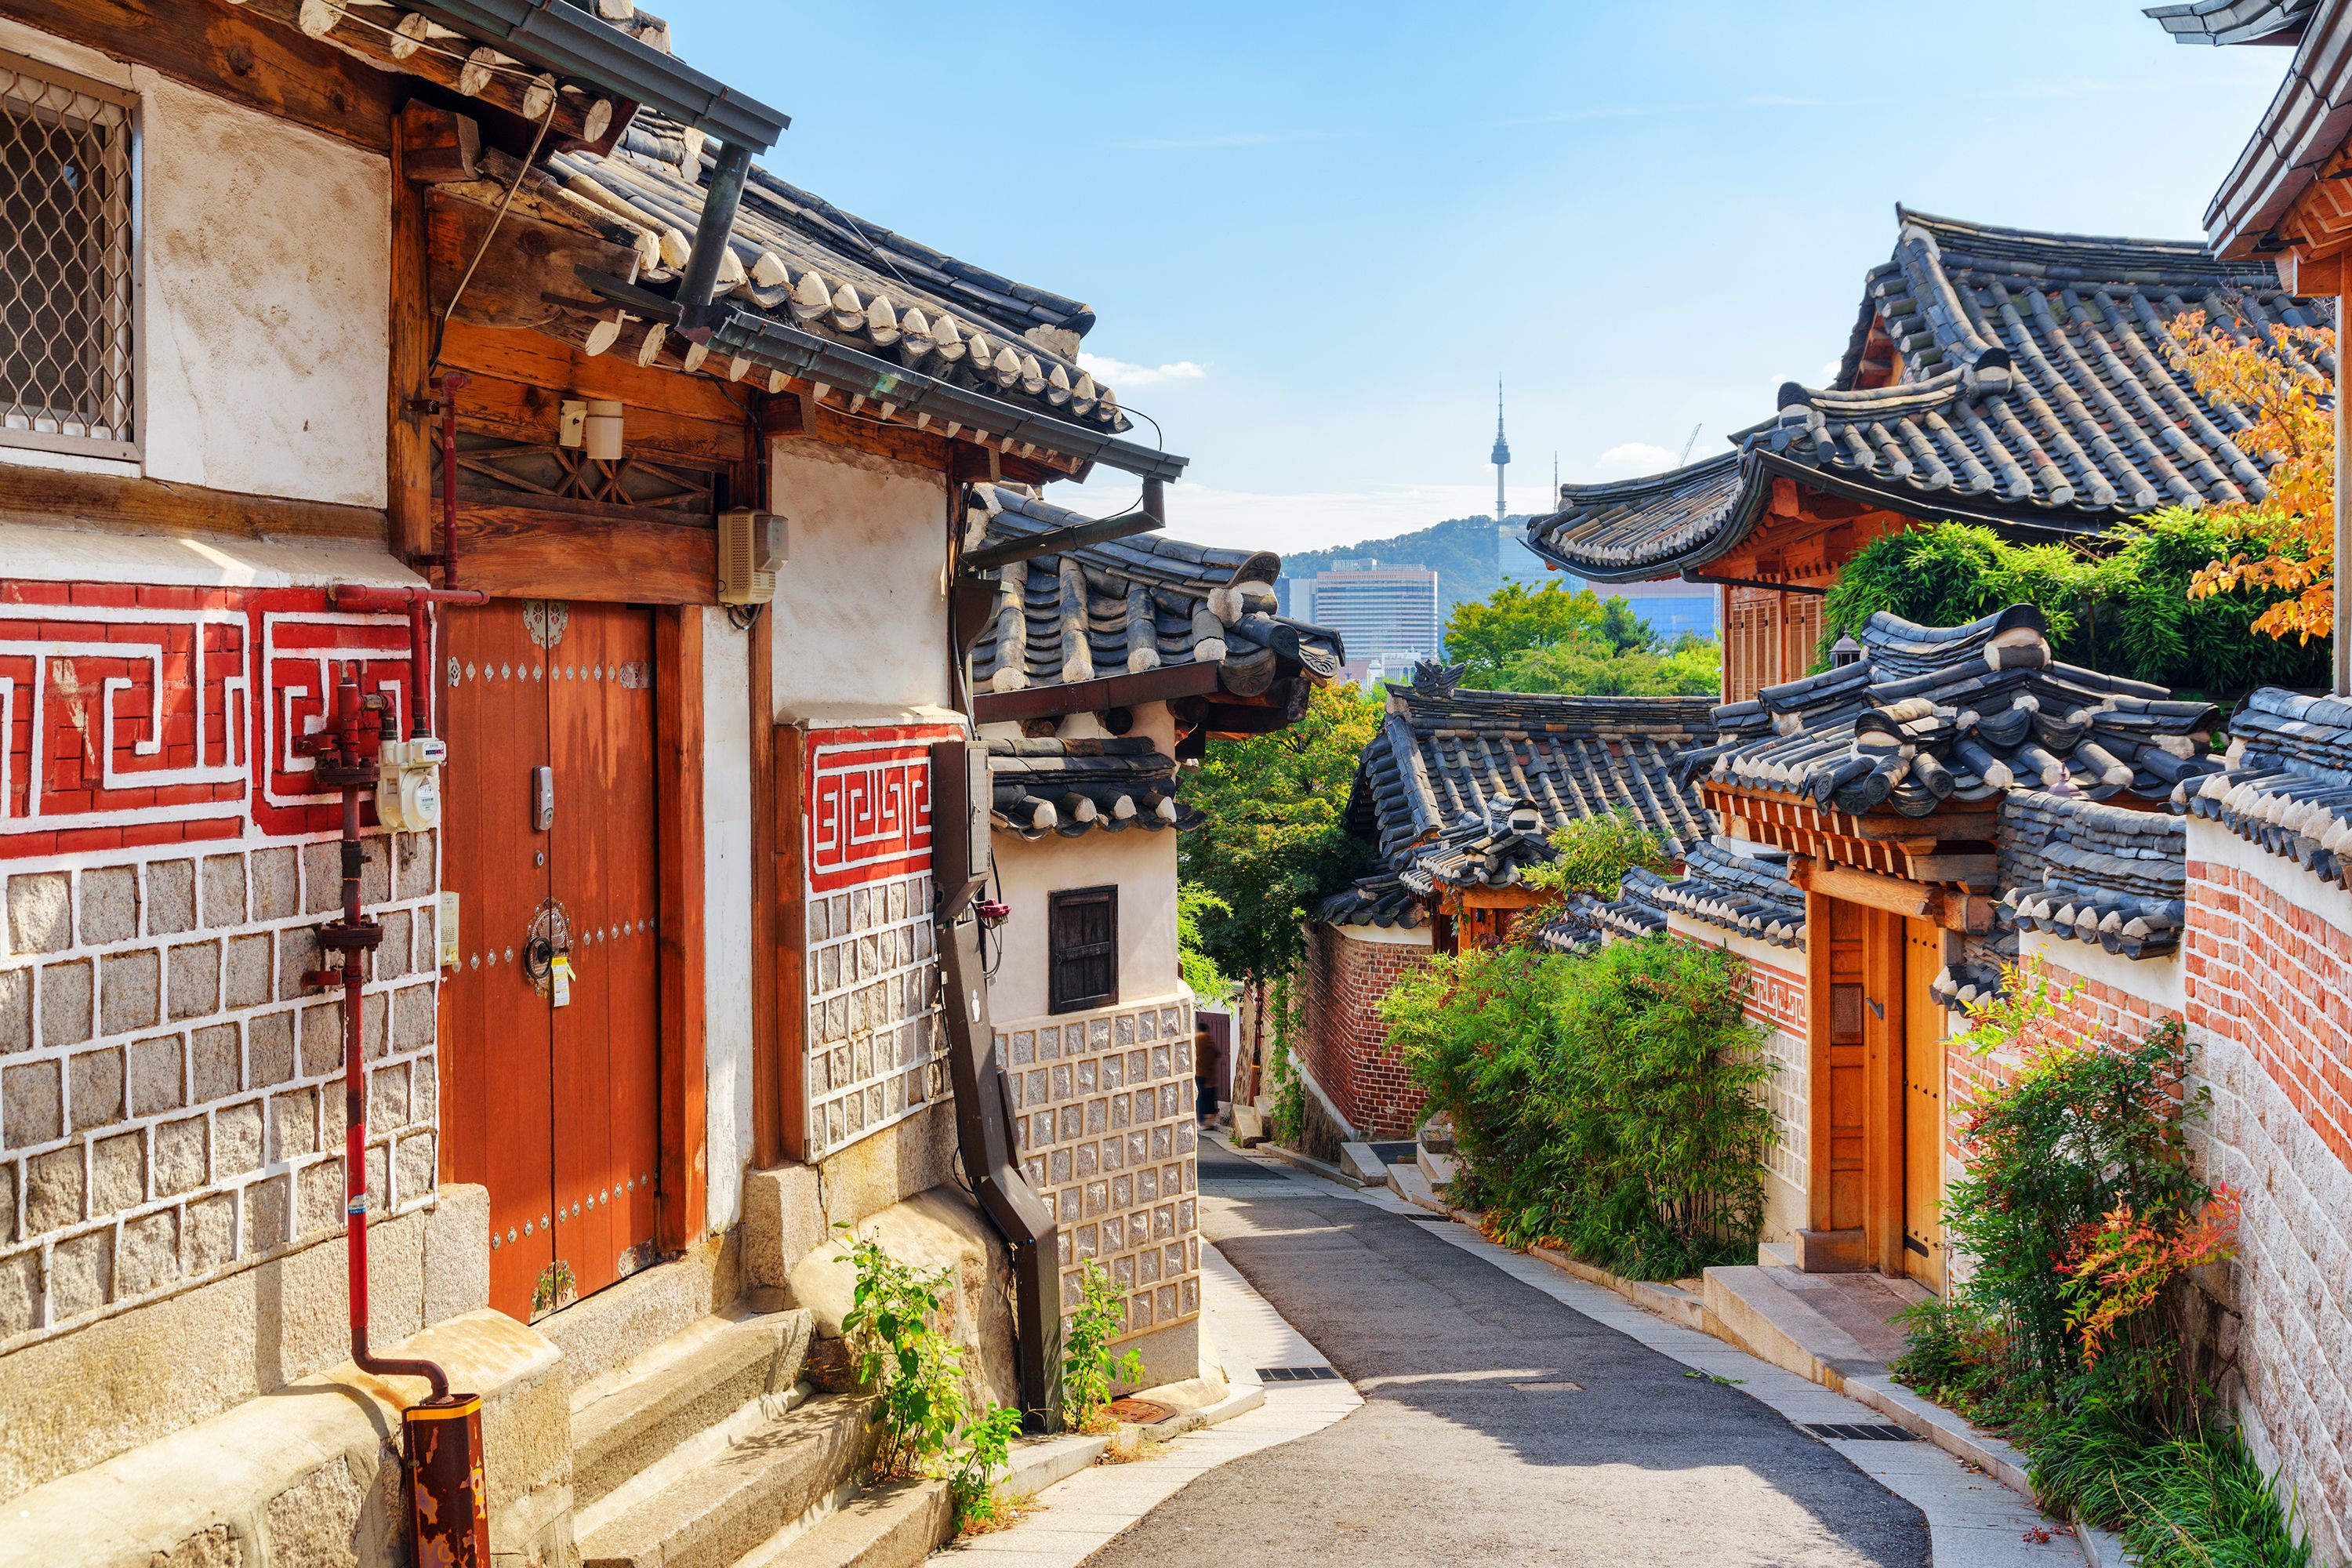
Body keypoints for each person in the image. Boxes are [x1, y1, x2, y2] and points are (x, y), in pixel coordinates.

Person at [1193, 1024, 1222, 1131]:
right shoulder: (1210, 1040)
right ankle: (1209, 1120)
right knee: (1209, 1097)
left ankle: (1202, 1121)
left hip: (1199, 1072)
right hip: (1210, 1074)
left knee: (1200, 1097)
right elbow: (1217, 1054)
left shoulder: (1198, 1039)